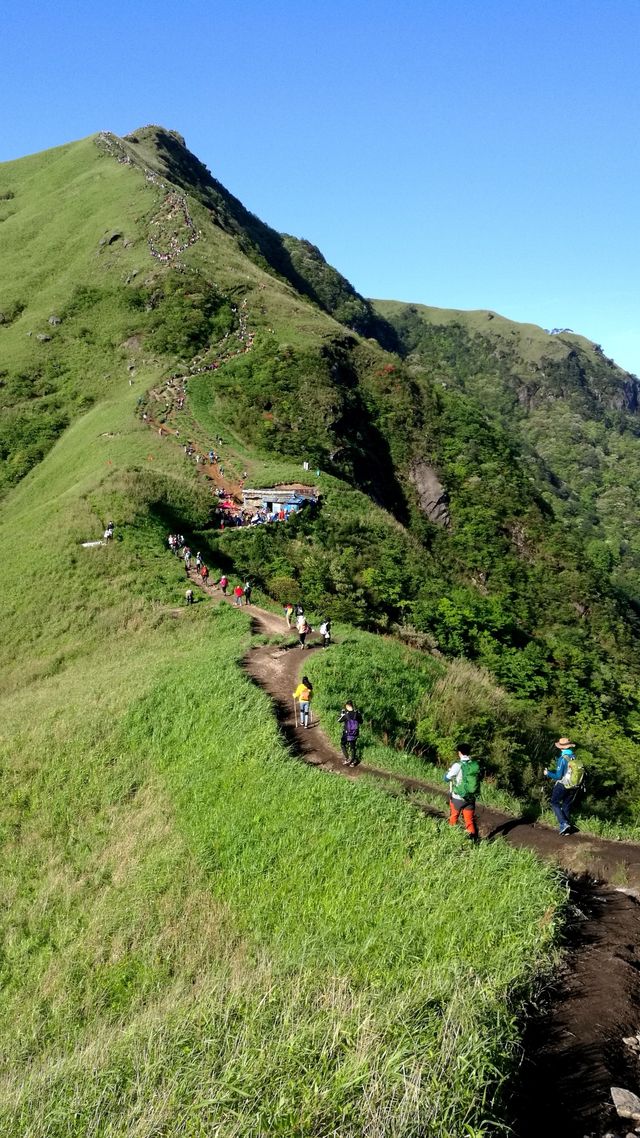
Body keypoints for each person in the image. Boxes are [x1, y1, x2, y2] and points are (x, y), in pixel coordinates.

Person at [544, 737, 584, 835]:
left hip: (563, 785)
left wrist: (548, 773)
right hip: (574, 785)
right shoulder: (574, 757)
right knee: (566, 805)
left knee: (554, 802)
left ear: (561, 748)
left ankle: (563, 823)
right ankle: (566, 829)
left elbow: (558, 776)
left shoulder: (562, 759)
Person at [444, 744, 481, 840]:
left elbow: (447, 779)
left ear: (459, 752)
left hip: (458, 798)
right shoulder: (474, 764)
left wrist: (447, 774)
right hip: (470, 798)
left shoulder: (457, 765)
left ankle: (451, 839)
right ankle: (473, 841)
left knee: (453, 817)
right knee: (469, 821)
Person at [339, 701, 363, 766]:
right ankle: (352, 762)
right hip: (355, 733)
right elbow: (361, 722)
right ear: (352, 706)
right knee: (353, 747)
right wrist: (359, 715)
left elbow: (339, 720)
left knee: (342, 744)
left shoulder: (346, 715)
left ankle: (347, 759)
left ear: (347, 706)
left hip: (346, 733)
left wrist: (342, 714)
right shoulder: (357, 714)